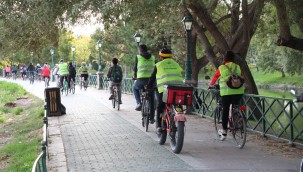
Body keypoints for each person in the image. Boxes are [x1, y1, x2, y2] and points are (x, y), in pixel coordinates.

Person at [208, 50, 244, 141]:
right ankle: (239, 119)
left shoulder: (222, 67)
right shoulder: (237, 66)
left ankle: (224, 132)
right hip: (239, 92)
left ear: (225, 58)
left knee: (225, 110)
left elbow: (215, 77)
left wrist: (210, 85)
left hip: (227, 93)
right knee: (236, 106)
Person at [146, 47, 183, 132]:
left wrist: (148, 86)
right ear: (170, 56)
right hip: (178, 88)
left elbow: (152, 77)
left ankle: (158, 126)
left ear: (161, 57)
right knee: (176, 103)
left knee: (160, 105)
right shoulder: (176, 63)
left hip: (165, 89)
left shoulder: (159, 65)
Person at [133, 44, 156, 114]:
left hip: (141, 79)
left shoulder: (138, 57)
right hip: (151, 80)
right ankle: (152, 117)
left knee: (135, 88)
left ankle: (139, 103)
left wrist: (135, 76)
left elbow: (135, 68)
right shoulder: (152, 57)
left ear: (140, 50)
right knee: (152, 97)